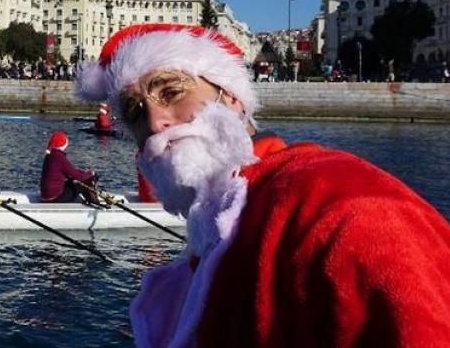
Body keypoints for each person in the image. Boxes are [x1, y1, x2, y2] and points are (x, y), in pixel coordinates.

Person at [75, 23, 450, 345]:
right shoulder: (223, 219)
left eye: (173, 92)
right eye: (137, 113)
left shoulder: (337, 201)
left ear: (233, 98)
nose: (156, 122)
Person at [39, 131, 97, 203]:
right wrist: (90, 173)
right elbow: (76, 175)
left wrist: (84, 173)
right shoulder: (59, 157)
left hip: (46, 195)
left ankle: (91, 199)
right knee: (88, 179)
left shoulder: (50, 156)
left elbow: (69, 173)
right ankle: (94, 202)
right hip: (55, 197)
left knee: (81, 179)